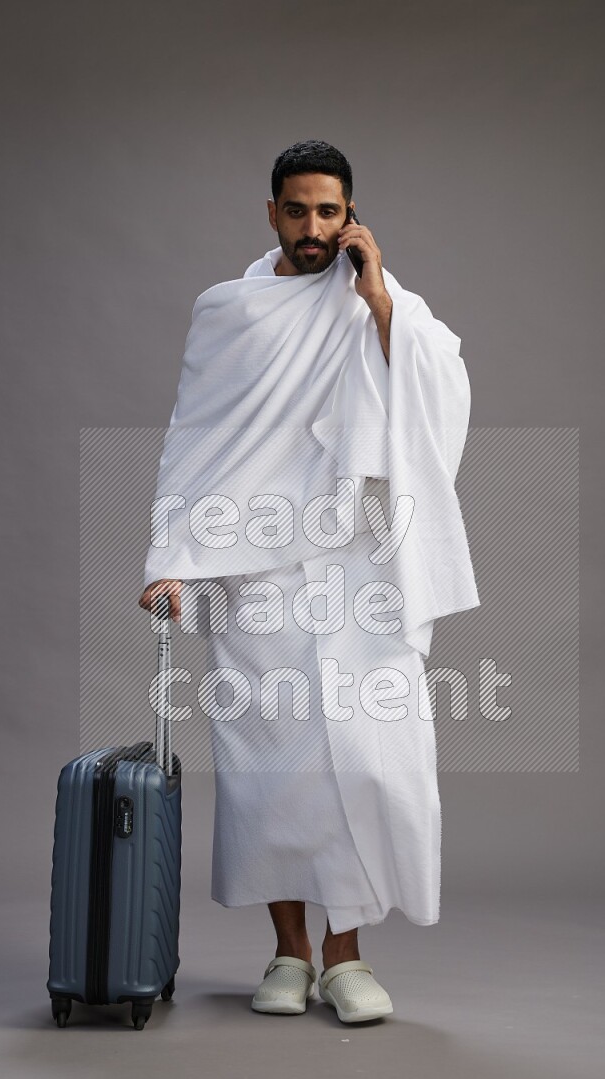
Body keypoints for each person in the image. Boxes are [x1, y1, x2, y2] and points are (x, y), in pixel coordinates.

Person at [138, 140, 479, 1024]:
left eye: (330, 212)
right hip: (258, 575)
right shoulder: (232, 313)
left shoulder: (385, 302)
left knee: (370, 763)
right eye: (298, 211)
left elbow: (440, 396)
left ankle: (348, 955)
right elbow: (196, 439)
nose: (315, 228)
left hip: (359, 568)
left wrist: (378, 305)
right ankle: (289, 953)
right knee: (269, 769)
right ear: (272, 214)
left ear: (352, 215)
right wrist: (168, 559)